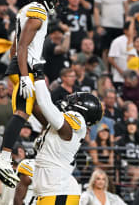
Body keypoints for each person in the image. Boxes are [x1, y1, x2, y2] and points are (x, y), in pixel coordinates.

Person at [0, 0, 64, 187]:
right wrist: (24, 76)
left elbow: (15, 46)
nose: (57, 0)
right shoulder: (37, 10)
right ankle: (4, 158)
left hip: (23, 66)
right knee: (22, 112)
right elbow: (21, 46)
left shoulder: (27, 9)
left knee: (42, 114)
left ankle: (42, 148)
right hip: (27, 68)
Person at [25, 63, 103, 204]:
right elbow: (34, 105)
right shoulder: (58, 126)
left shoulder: (76, 122)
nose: (69, 99)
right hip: (49, 189)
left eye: (75, 100)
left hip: (58, 190)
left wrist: (38, 76)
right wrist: (23, 78)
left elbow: (45, 103)